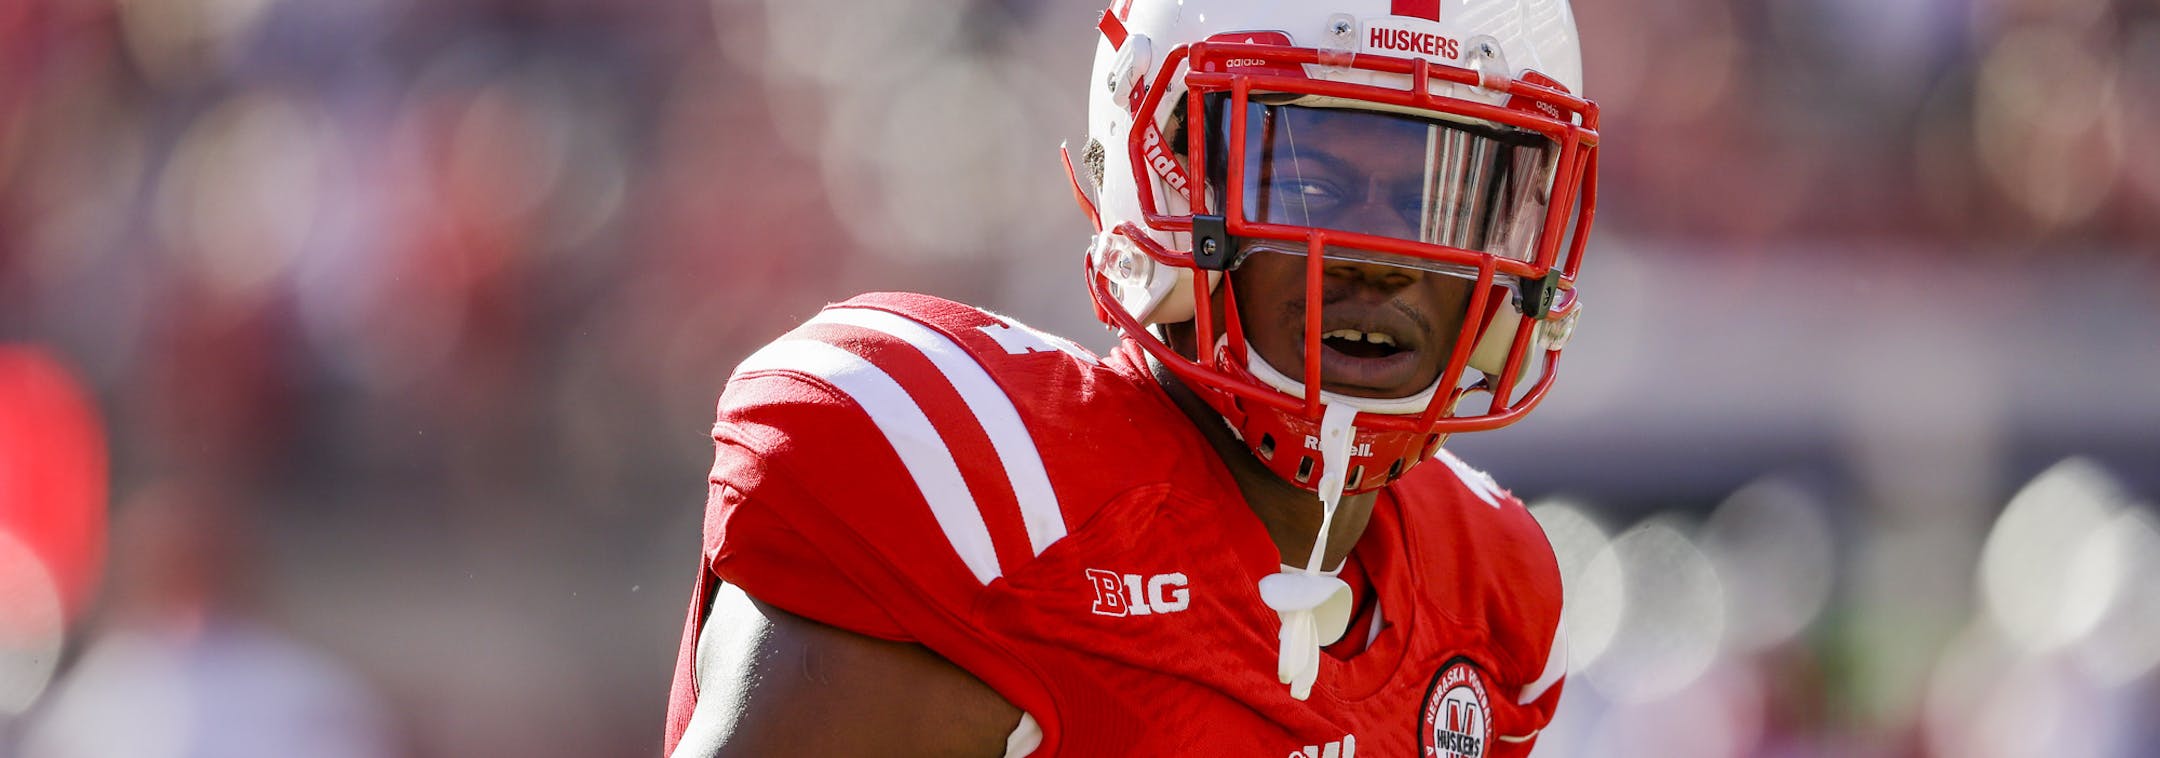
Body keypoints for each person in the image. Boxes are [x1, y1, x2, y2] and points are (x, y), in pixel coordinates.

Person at [663, 0, 1598, 754]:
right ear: (1168, 183)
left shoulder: (1491, 600)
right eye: (1307, 183)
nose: (1381, 258)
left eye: (1436, 200)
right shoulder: (989, 495)